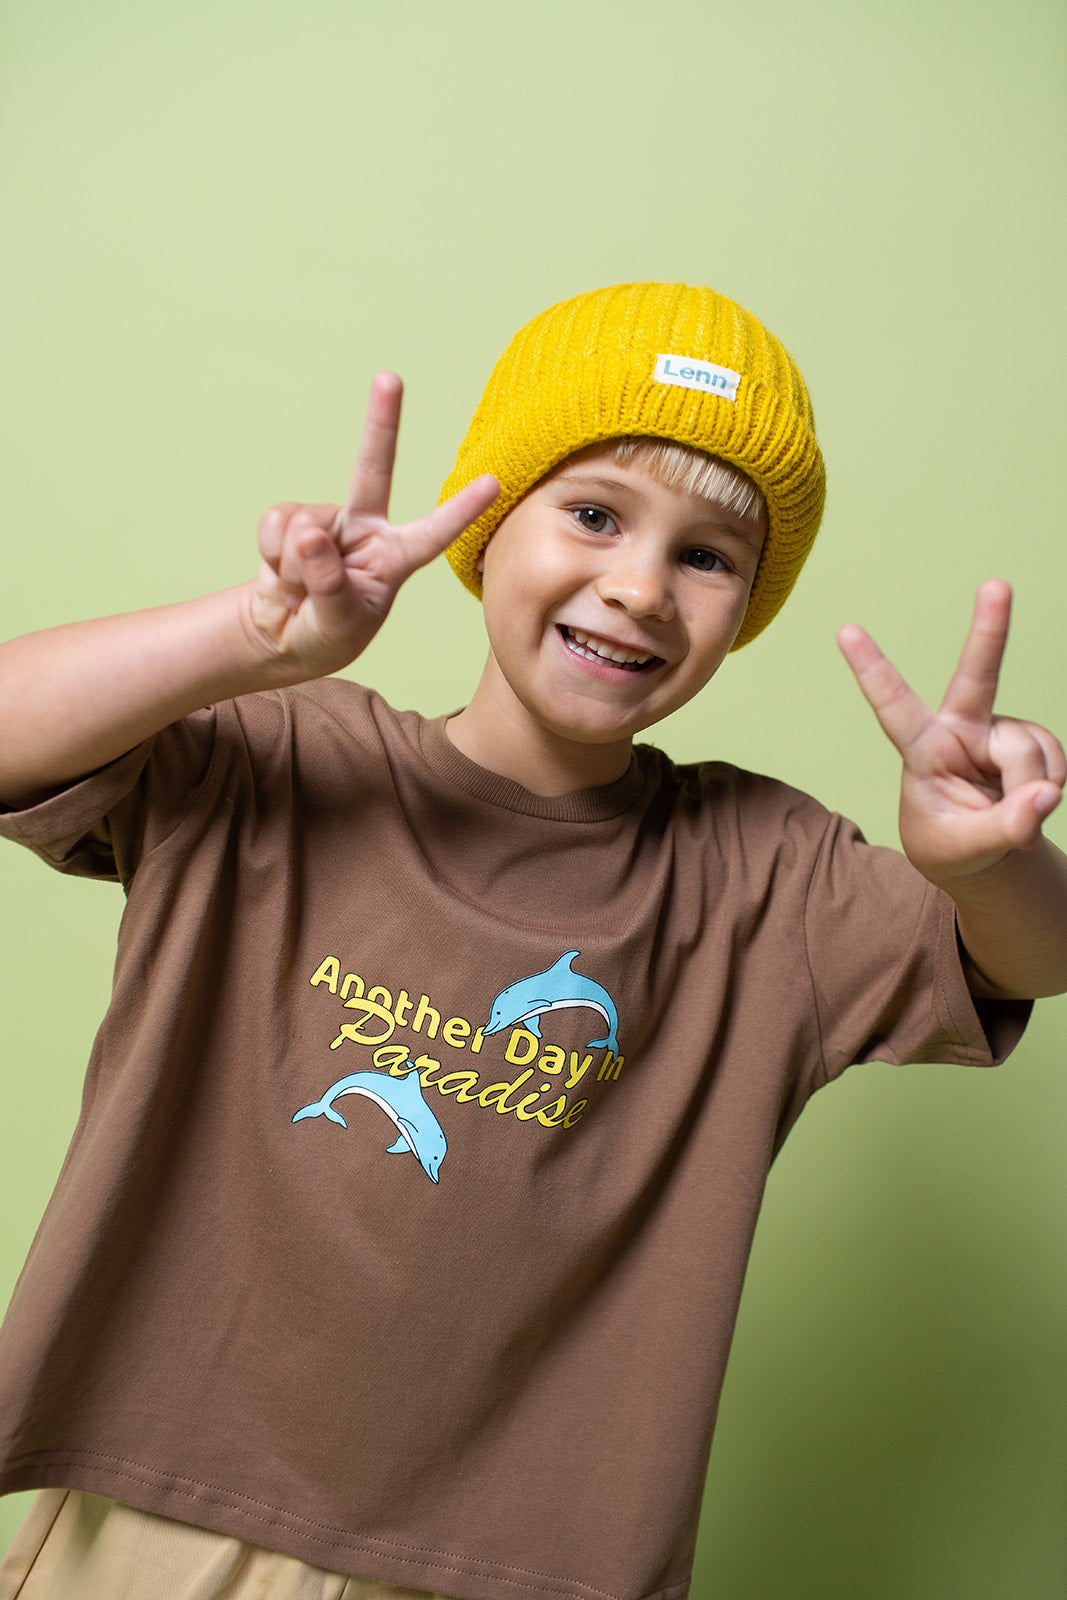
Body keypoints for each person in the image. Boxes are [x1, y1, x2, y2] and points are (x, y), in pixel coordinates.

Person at [0, 281, 1063, 1600]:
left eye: (708, 556)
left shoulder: (764, 880)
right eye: (596, 513)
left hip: (519, 1571)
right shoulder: (276, 764)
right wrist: (251, 638)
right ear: (488, 522)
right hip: (161, 1520)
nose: (638, 587)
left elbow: (1027, 959)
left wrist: (994, 861)